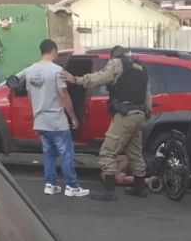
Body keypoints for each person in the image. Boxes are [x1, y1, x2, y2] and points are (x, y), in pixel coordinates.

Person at [61, 45, 151, 201]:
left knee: (107, 151)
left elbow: (100, 78)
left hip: (125, 114)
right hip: (139, 114)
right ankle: (140, 187)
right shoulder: (141, 68)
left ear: (113, 56)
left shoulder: (117, 63)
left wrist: (76, 80)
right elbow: (147, 95)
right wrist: (145, 114)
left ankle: (109, 191)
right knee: (135, 152)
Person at [25, 39, 89, 197]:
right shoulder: (56, 70)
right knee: (66, 153)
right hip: (56, 121)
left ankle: (50, 184)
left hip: (40, 119)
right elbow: (63, 94)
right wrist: (73, 117)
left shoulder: (30, 71)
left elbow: (30, 95)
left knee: (48, 154)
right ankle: (72, 187)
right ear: (53, 51)